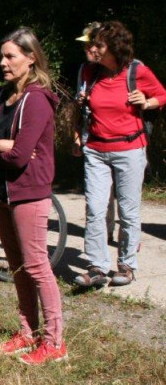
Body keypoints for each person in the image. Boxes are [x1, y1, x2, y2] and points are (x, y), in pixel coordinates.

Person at [0, 28, 66, 365]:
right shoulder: (1, 99)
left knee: (37, 265)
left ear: (31, 58)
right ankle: (28, 333)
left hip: (29, 193)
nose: (3, 62)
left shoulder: (38, 99)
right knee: (17, 267)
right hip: (0, 192)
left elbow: (22, 153)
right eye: (2, 56)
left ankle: (54, 342)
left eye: (10, 56)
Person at [72, 21, 166, 287]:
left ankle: (126, 265)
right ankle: (97, 266)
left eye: (99, 45)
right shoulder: (89, 72)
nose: (93, 49)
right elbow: (82, 110)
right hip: (96, 150)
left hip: (129, 150)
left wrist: (146, 102)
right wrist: (78, 136)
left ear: (114, 47)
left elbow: (162, 94)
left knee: (128, 210)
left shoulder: (136, 71)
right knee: (95, 209)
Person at [74, 23, 118, 244]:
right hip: (91, 135)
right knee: (98, 192)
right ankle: (103, 232)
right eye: (86, 47)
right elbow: (77, 105)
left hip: (122, 139)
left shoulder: (122, 68)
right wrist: (75, 135)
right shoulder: (85, 70)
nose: (88, 51)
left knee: (123, 191)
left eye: (92, 45)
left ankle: (128, 233)